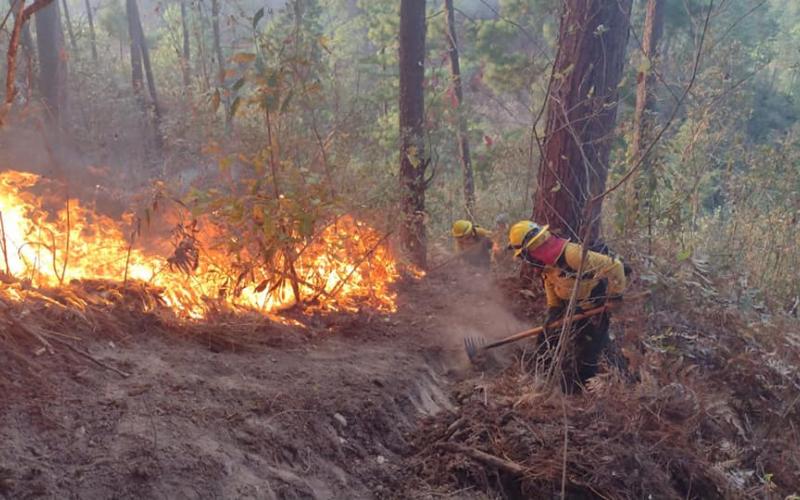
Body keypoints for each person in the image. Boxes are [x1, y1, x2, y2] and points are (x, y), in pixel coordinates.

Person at [507, 220, 626, 392]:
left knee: (588, 351)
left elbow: (615, 266)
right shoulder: (545, 259)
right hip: (568, 305)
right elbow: (550, 281)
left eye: (524, 254)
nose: (525, 259)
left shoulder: (573, 255)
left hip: (592, 308)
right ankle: (540, 380)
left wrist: (615, 296)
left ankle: (579, 391)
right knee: (546, 339)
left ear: (532, 248)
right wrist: (553, 307)